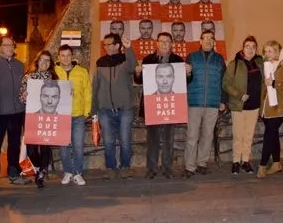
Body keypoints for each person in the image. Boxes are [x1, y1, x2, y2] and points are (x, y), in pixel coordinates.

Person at [134, 32, 189, 179]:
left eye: (167, 41)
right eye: (161, 41)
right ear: (156, 43)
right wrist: (138, 73)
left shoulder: (178, 60)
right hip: (153, 106)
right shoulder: (148, 60)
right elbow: (140, 81)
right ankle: (151, 168)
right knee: (152, 139)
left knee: (168, 139)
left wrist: (189, 73)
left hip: (171, 106)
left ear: (172, 44)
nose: (164, 44)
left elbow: (185, 82)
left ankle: (167, 168)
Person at [0, 37, 29, 190]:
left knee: (14, 144)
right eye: (6, 45)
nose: (10, 48)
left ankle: (14, 173)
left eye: (12, 45)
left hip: (17, 112)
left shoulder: (19, 65)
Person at [92, 33, 138, 180]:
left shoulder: (125, 60)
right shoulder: (100, 62)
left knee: (125, 140)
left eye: (109, 44)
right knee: (108, 141)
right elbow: (95, 86)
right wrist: (93, 109)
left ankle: (125, 167)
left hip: (124, 109)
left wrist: (129, 49)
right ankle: (111, 167)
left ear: (117, 46)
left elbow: (133, 67)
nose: (106, 47)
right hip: (105, 110)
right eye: (104, 45)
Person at [184, 29, 227, 178]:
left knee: (208, 135)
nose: (208, 40)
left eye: (211, 38)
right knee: (192, 136)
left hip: (212, 103)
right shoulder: (191, 57)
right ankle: (190, 166)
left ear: (214, 42)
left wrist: (223, 101)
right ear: (200, 41)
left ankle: (202, 163)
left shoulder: (219, 59)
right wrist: (187, 73)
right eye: (205, 38)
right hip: (194, 102)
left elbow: (224, 81)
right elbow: (185, 80)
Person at [222, 36, 263, 174]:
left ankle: (245, 160)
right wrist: (239, 95)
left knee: (248, 135)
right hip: (239, 105)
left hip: (255, 105)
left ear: (256, 49)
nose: (250, 49)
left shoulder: (260, 63)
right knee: (238, 135)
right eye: (247, 46)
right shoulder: (235, 64)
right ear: (243, 48)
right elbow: (226, 83)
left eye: (253, 47)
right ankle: (235, 161)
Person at [18, 51, 59, 188]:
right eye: (42, 60)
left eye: (47, 61)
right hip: (31, 116)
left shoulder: (53, 77)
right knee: (31, 147)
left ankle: (41, 171)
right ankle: (37, 166)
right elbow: (21, 99)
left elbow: (60, 95)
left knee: (46, 145)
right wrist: (24, 96)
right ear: (37, 61)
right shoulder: (28, 77)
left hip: (48, 116)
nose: (44, 63)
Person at [54, 44, 92, 186]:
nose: (65, 58)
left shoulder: (82, 71)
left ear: (72, 56)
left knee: (78, 145)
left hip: (78, 115)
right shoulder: (54, 71)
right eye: (62, 55)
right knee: (63, 146)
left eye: (68, 55)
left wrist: (87, 111)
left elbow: (88, 92)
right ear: (58, 57)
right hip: (61, 115)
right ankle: (68, 171)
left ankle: (78, 173)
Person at [256, 40, 283, 178]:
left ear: (277, 52)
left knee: (268, 134)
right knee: (273, 134)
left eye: (270, 51)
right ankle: (277, 163)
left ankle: (262, 165)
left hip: (280, 107)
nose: (267, 53)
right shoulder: (265, 65)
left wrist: (273, 82)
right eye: (265, 51)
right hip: (267, 107)